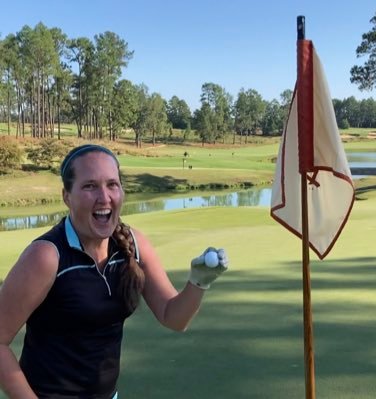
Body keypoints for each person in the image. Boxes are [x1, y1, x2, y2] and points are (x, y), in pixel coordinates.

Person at [0, 144, 228, 399]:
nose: (104, 197)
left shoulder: (133, 244)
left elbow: (173, 317)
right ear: (67, 197)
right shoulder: (46, 256)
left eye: (112, 184)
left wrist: (198, 283)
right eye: (89, 186)